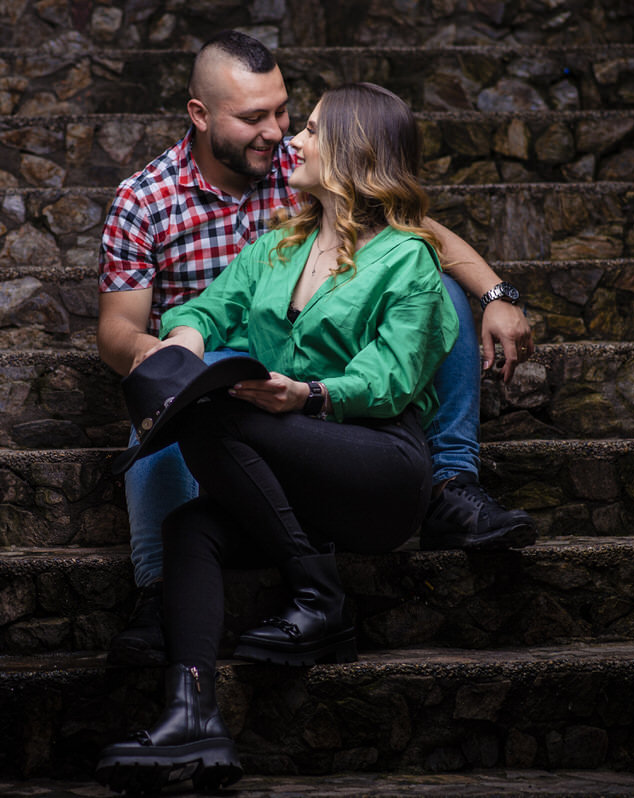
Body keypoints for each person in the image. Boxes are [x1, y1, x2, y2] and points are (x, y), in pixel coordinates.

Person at [98, 31, 536, 666]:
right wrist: (166, 351)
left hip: (329, 364)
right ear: (200, 116)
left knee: (440, 286)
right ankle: (159, 591)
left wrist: (497, 291)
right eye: (255, 118)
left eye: (284, 113)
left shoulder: (298, 164)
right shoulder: (145, 200)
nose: (278, 133)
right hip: (218, 348)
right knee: (188, 395)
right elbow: (117, 330)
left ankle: (451, 482)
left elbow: (412, 231)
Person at [97, 82, 461, 795]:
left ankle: (318, 594)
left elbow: (391, 377)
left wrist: (309, 393)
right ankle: (190, 716)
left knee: (214, 415)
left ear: (355, 151)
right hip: (292, 478)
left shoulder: (407, 259)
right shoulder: (276, 248)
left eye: (314, 131)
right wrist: (187, 338)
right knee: (191, 525)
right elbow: (206, 305)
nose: (293, 140)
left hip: (378, 467)